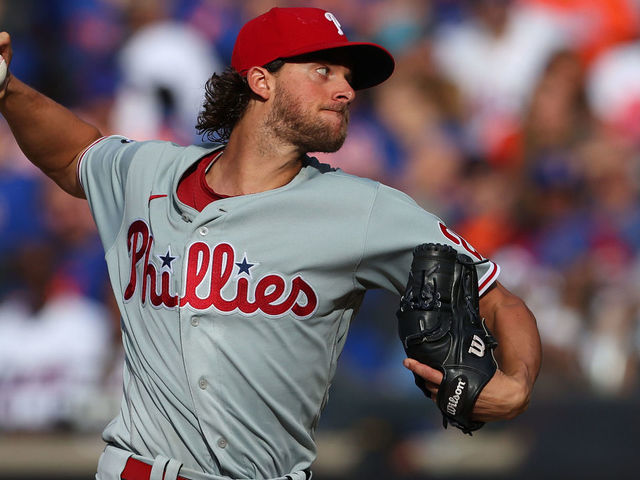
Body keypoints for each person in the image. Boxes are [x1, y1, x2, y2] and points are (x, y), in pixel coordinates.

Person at [0, 7, 541, 480]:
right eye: (323, 71)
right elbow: (76, 155)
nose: (346, 90)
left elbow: (497, 298)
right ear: (261, 80)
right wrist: (8, 88)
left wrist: (515, 385)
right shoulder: (150, 173)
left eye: (349, 77)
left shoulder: (365, 209)